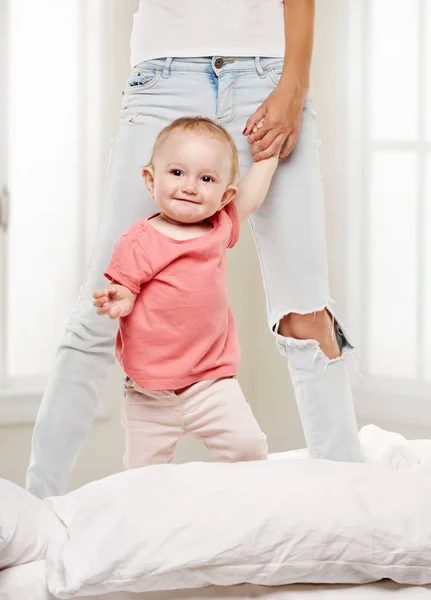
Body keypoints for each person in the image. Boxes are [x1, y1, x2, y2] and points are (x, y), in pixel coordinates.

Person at [27, 0, 363, 499]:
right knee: (98, 308)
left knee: (306, 313)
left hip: (269, 75)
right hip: (163, 77)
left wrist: (295, 81)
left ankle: (354, 508)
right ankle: (35, 509)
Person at [94, 117, 276, 467]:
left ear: (224, 195)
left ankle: (235, 514)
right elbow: (127, 288)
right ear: (151, 179)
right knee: (144, 475)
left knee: (249, 450)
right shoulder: (139, 241)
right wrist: (120, 297)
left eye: (206, 179)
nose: (190, 187)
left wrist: (268, 158)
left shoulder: (218, 227)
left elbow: (251, 198)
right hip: (150, 392)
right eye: (177, 173)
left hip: (211, 382)